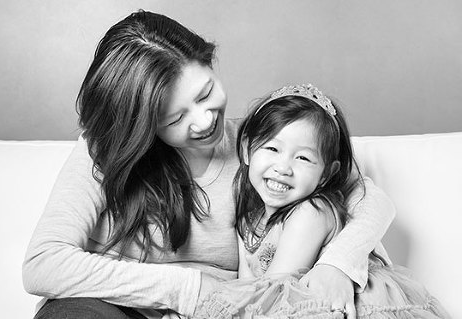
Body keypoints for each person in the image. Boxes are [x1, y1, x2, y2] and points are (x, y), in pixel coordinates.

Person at [22, 10, 395, 319]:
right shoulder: (103, 151)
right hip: (113, 306)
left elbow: (372, 202)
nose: (203, 121)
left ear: (209, 61)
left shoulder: (261, 148)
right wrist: (188, 289)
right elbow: (43, 264)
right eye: (174, 119)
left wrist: (339, 264)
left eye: (205, 94)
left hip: (225, 310)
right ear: (142, 125)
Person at [194, 84, 449, 318]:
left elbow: (274, 291)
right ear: (248, 150)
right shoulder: (249, 211)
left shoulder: (312, 212)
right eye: (272, 149)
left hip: (338, 306)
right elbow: (247, 286)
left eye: (303, 158)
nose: (283, 167)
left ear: (327, 173)